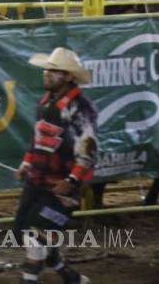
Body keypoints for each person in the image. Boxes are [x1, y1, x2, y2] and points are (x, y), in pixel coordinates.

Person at [14, 47, 97, 284]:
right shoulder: (46, 102)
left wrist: (71, 181)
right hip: (38, 179)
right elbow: (37, 139)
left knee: (35, 236)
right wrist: (26, 164)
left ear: (68, 77)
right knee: (24, 231)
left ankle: (28, 279)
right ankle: (69, 276)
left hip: (63, 184)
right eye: (47, 69)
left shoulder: (81, 108)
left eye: (55, 71)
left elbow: (88, 148)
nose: (47, 74)